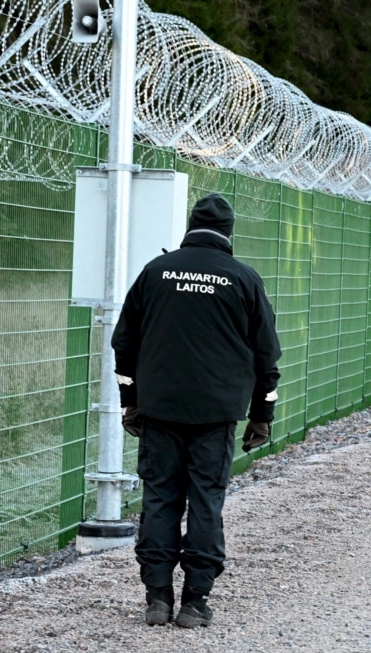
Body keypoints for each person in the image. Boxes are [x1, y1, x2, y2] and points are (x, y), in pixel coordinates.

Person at [112, 193, 281, 628]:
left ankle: (157, 599)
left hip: (160, 409)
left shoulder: (155, 273)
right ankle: (195, 601)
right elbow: (267, 355)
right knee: (207, 500)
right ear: (229, 233)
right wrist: (262, 413)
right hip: (216, 414)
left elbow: (124, 343)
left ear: (190, 226)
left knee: (160, 498)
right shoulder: (243, 278)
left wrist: (129, 402)